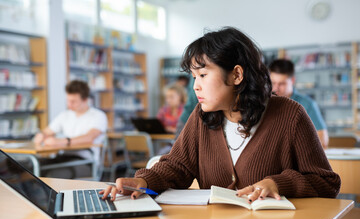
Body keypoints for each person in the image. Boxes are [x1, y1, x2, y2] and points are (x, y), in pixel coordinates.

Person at [102, 27, 340, 203]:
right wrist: (145, 181)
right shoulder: (202, 116)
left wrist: (277, 182)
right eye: (194, 77)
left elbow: (326, 182)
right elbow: (178, 167)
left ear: (236, 76)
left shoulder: (290, 114)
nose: (195, 86)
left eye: (203, 75)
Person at [33, 80, 107, 178]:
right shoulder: (65, 115)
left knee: (53, 175)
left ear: (85, 100)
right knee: (25, 168)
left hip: (86, 161)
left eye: (73, 101)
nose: (69, 104)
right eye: (68, 100)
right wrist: (42, 135)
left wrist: (61, 141)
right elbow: (47, 131)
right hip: (63, 157)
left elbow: (89, 137)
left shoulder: (98, 116)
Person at [269, 59, 329, 149]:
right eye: (273, 83)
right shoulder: (266, 104)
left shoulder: (307, 104)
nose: (276, 88)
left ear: (292, 80)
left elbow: (323, 140)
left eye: (282, 84)